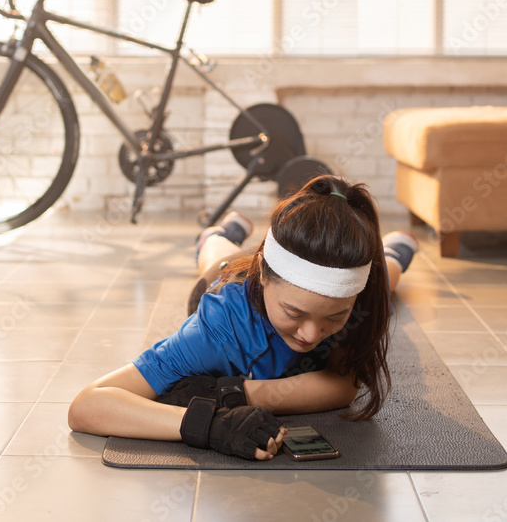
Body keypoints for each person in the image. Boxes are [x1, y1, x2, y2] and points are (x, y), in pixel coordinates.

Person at [67, 175, 418, 461]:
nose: (311, 334)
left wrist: (236, 394)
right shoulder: (217, 328)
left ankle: (395, 249)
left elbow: (343, 387)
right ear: (265, 275)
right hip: (232, 276)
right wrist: (208, 424)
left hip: (305, 278)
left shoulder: (359, 298)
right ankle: (216, 234)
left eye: (334, 317)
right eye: (293, 313)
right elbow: (86, 406)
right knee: (220, 260)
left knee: (387, 276)